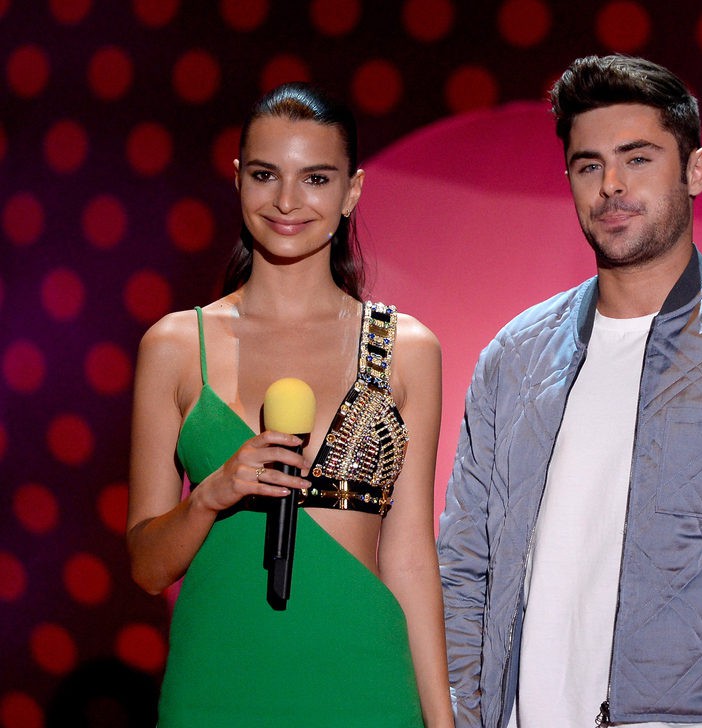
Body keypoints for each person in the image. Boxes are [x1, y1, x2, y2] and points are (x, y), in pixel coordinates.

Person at [438, 55, 702, 728]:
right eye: (589, 165)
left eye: (638, 159)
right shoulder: (513, 359)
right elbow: (464, 572)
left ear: (694, 169)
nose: (611, 185)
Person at [128, 82, 453, 727]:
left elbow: (411, 557)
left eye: (316, 178)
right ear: (238, 179)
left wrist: (441, 720)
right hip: (218, 684)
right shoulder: (174, 345)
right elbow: (146, 567)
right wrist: (214, 492)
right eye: (265, 174)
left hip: (366, 684)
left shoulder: (406, 348)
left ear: (352, 191)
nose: (285, 201)